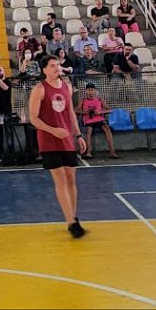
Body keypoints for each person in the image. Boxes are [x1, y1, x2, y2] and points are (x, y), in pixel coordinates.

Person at [28, 56, 87, 238]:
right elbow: (34, 118)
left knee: (71, 179)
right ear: (44, 70)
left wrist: (78, 135)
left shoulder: (66, 87)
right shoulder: (39, 89)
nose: (56, 68)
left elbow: (70, 112)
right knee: (60, 179)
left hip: (67, 139)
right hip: (49, 140)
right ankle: (71, 222)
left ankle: (74, 216)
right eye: (52, 66)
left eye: (58, 65)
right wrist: (53, 131)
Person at [78, 83, 118, 159]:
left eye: (92, 90)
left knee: (107, 128)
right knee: (88, 130)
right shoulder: (83, 100)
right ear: (86, 91)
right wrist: (86, 112)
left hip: (99, 120)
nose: (91, 92)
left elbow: (110, 110)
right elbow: (76, 110)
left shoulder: (100, 99)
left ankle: (112, 152)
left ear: (95, 91)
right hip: (88, 120)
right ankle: (88, 152)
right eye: (89, 90)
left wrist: (100, 112)